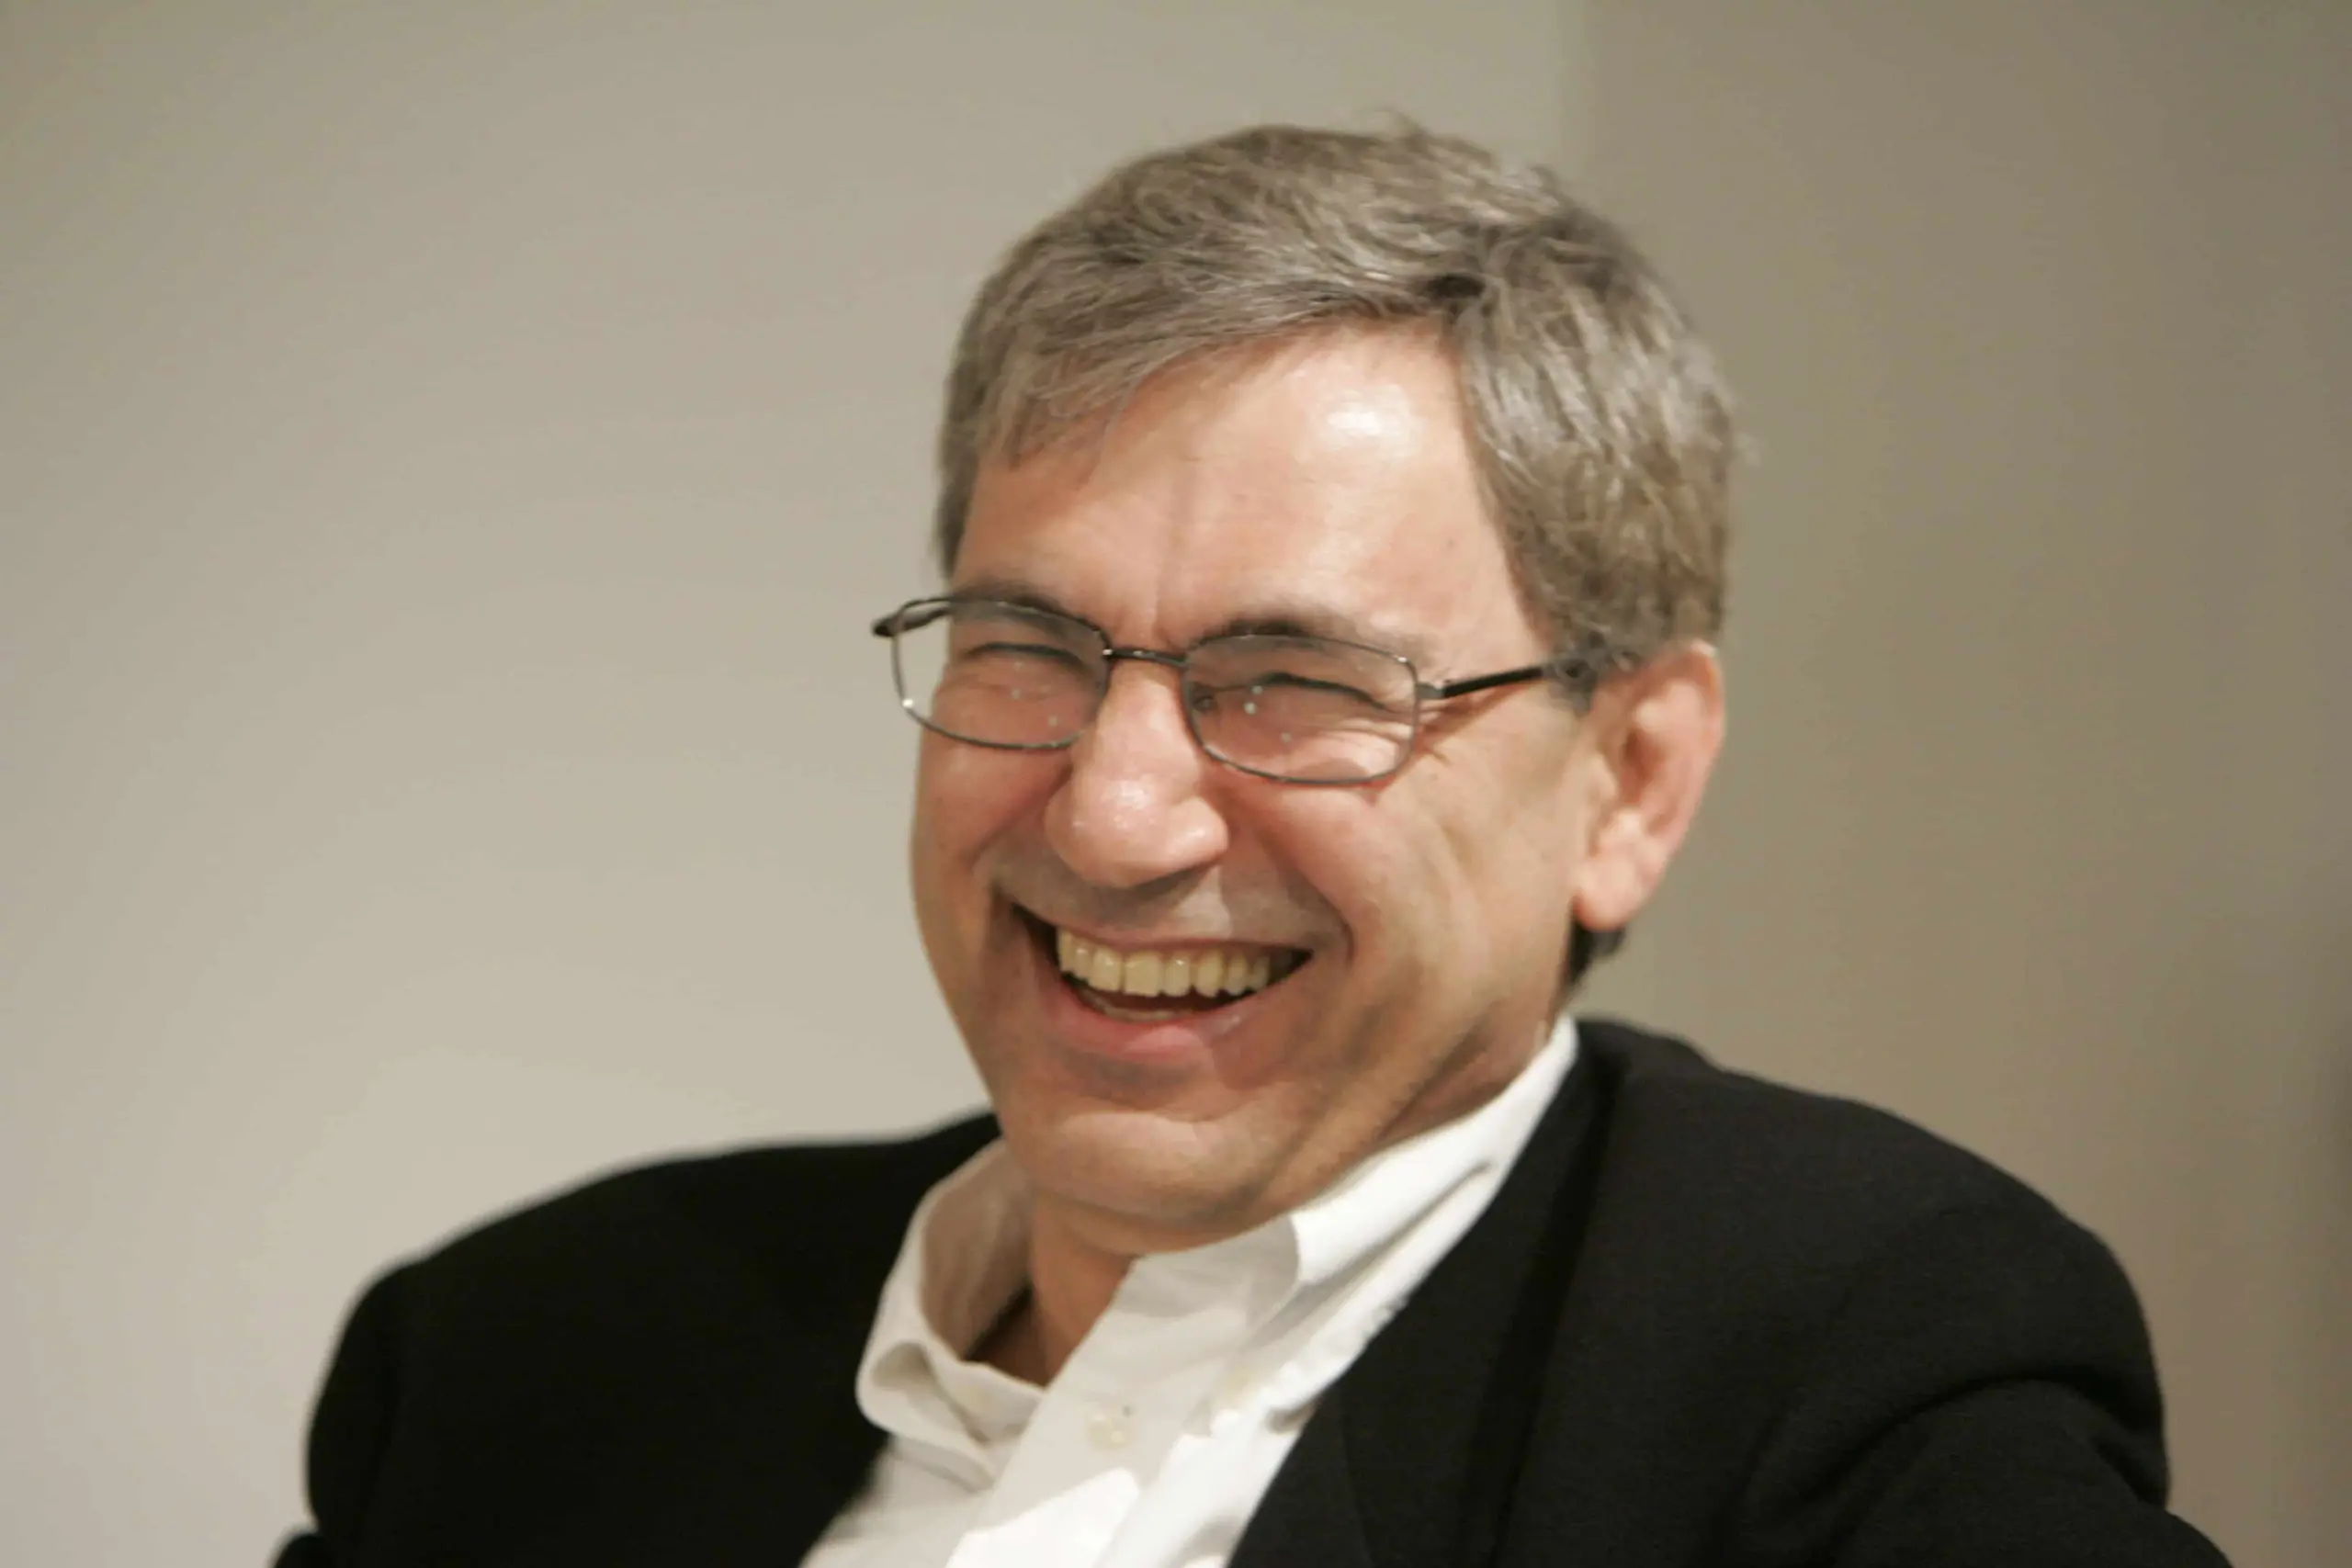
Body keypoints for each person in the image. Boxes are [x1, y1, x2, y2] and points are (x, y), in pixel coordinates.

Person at [274, 124, 2229, 1567]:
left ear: (1625, 779)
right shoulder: (520, 1355)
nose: (1114, 817)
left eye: (1291, 678)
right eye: (1029, 646)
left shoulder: (1842, 1364)